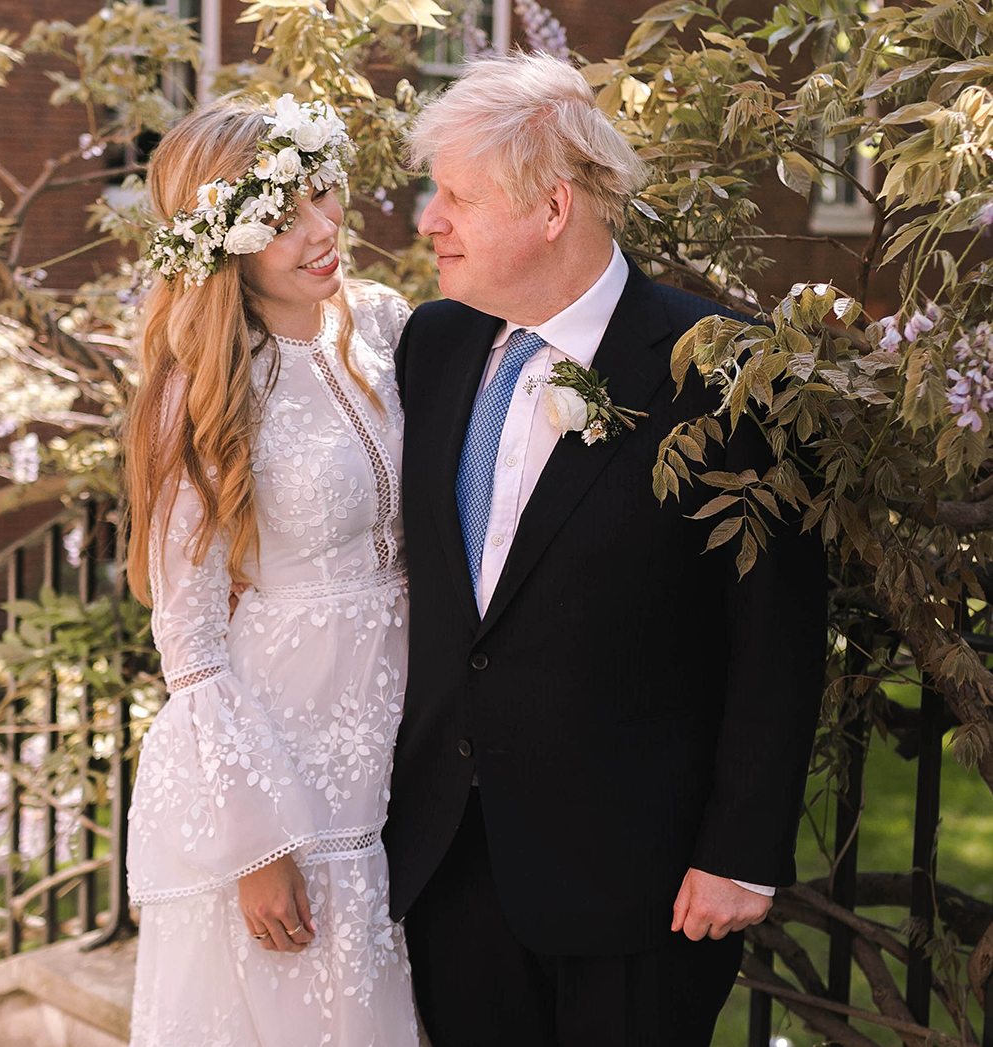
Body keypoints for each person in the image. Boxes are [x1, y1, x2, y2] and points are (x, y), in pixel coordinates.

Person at [383, 52, 828, 1046]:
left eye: (456, 197)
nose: (429, 222)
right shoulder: (433, 346)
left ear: (551, 209)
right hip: (451, 864)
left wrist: (740, 853)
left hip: (647, 886)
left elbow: (779, 633)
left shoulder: (725, 369)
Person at [124, 94, 421, 1047]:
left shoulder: (386, 325)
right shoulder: (203, 386)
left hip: (408, 730)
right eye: (285, 216)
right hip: (287, 758)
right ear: (228, 241)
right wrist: (258, 843)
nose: (325, 229)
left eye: (325, 197)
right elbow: (194, 639)